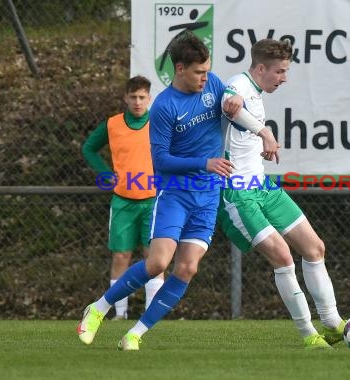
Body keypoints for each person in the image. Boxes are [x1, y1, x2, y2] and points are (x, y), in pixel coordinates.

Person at [76, 31, 279, 351]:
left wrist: (258, 127)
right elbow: (161, 160)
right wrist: (205, 163)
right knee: (158, 263)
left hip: (208, 196)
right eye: (199, 72)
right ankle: (99, 308)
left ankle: (135, 334)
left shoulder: (213, 85)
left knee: (187, 268)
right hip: (176, 194)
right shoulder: (164, 107)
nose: (205, 77)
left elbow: (233, 109)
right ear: (180, 69)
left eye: (207, 70)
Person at [217, 38, 346, 349]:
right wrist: (264, 132)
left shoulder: (257, 93)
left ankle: (332, 323)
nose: (284, 78)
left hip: (262, 186)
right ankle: (309, 335)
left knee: (314, 248)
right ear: (261, 68)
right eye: (280, 71)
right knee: (283, 258)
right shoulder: (239, 83)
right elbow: (229, 104)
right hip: (238, 193)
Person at [81, 75, 164, 320]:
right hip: (123, 201)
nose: (138, 102)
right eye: (133, 97)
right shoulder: (113, 124)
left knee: (154, 257)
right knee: (121, 255)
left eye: (142, 97)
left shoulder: (159, 123)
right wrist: (106, 175)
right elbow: (89, 148)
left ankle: (152, 314)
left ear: (149, 99)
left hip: (153, 201)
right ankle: (120, 314)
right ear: (125, 98)